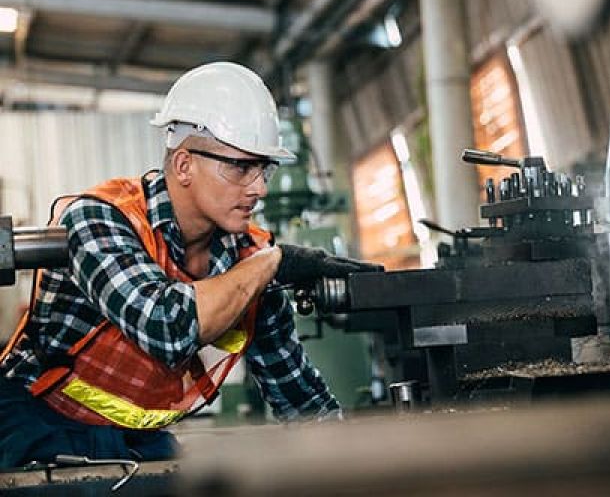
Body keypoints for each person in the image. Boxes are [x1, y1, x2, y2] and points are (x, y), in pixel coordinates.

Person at [0, 61, 382, 468]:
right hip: (33, 423)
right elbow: (167, 329)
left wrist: (367, 466)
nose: (259, 188)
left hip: (134, 440)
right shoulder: (100, 219)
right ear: (184, 164)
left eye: (263, 168)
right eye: (240, 166)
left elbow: (299, 395)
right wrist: (277, 261)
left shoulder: (251, 259)